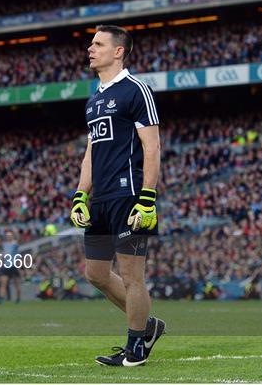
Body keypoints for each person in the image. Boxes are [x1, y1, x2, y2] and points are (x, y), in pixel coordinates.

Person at [70, 25, 166, 366]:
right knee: (94, 274)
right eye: (91, 43)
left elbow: (152, 148)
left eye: (98, 43)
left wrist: (147, 198)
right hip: (101, 201)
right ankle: (147, 326)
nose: (90, 48)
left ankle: (136, 347)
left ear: (118, 51)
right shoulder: (93, 99)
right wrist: (81, 195)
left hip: (130, 198)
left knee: (131, 276)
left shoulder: (136, 90)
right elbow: (90, 155)